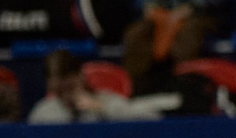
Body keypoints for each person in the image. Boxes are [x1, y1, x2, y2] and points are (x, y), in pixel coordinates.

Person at [28, 51, 164, 123]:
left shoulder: (105, 100)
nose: (66, 95)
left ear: (80, 77)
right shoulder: (42, 113)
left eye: (70, 88)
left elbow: (152, 118)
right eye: (59, 91)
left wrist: (102, 108)